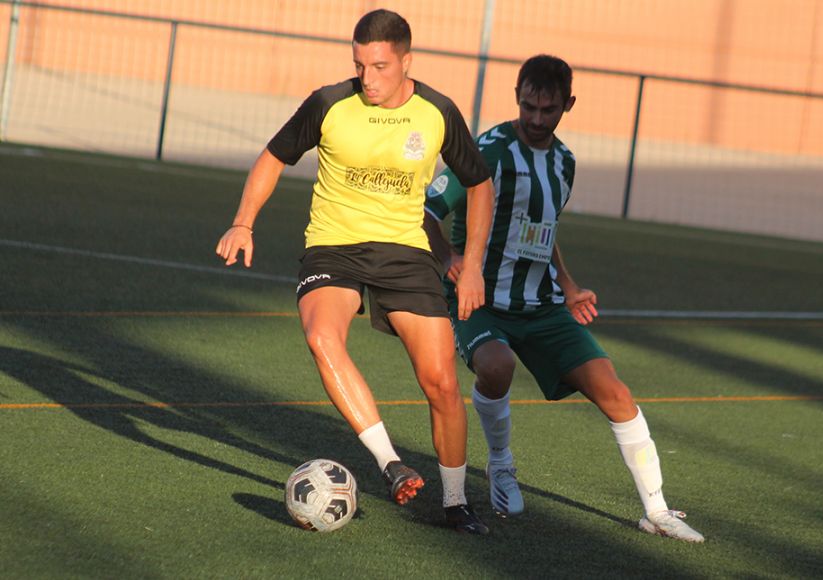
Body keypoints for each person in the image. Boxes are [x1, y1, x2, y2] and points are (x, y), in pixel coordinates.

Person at [215, 9, 494, 535]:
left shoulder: (437, 111)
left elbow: (479, 184)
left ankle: (456, 503)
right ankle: (390, 463)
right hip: (333, 246)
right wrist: (243, 223)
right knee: (322, 338)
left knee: (441, 383)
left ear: (406, 61)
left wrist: (471, 263)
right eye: (360, 64)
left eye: (380, 66)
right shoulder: (329, 103)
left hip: (405, 252)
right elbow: (274, 157)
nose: (367, 78)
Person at [423, 54, 704, 542]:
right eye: (528, 106)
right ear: (517, 97)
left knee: (615, 392)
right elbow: (425, 210)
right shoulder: (485, 151)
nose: (535, 118)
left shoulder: (564, 162)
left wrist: (569, 285)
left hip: (544, 306)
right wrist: (452, 260)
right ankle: (502, 463)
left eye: (547, 109)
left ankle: (657, 511)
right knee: (496, 365)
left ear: (567, 105)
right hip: (482, 300)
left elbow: (543, 229)